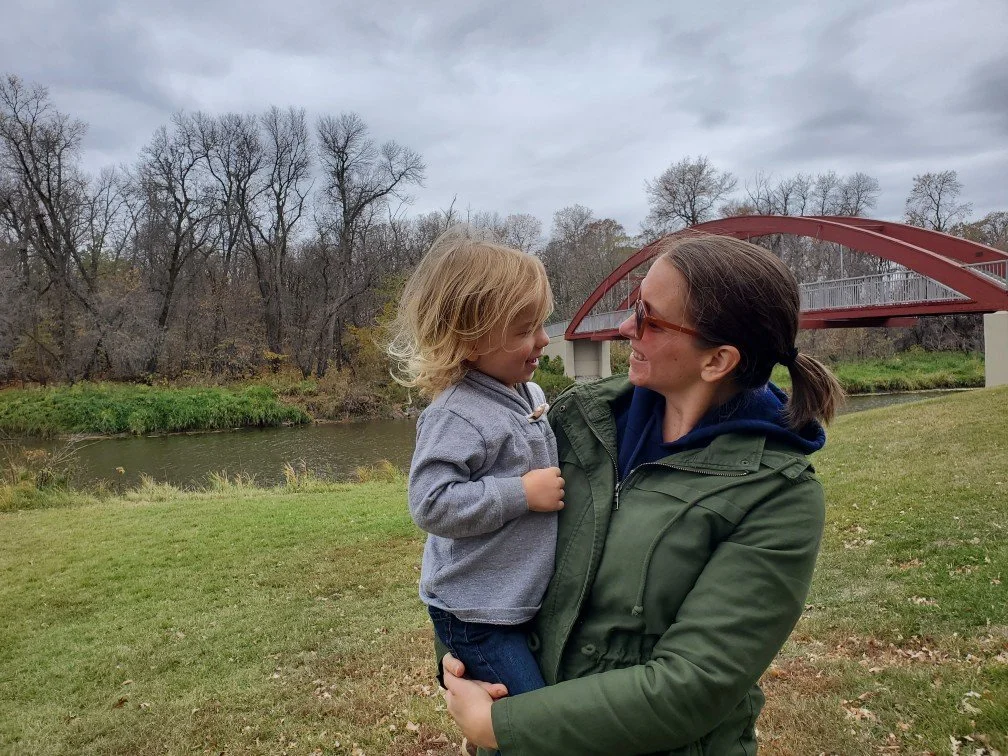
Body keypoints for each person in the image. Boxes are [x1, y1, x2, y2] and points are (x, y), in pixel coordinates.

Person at [439, 232, 845, 755]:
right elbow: (470, 545)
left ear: (717, 361)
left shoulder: (777, 496)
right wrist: (462, 658)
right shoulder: (574, 421)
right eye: (635, 306)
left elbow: (693, 685)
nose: (626, 328)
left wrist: (503, 727)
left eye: (650, 319)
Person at [387, 225, 565, 699]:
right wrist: (521, 493)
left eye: (543, 323)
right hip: (475, 614)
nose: (544, 340)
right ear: (468, 341)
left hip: (513, 601)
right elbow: (431, 503)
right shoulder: (455, 413)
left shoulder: (529, 392)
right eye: (525, 330)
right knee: (527, 722)